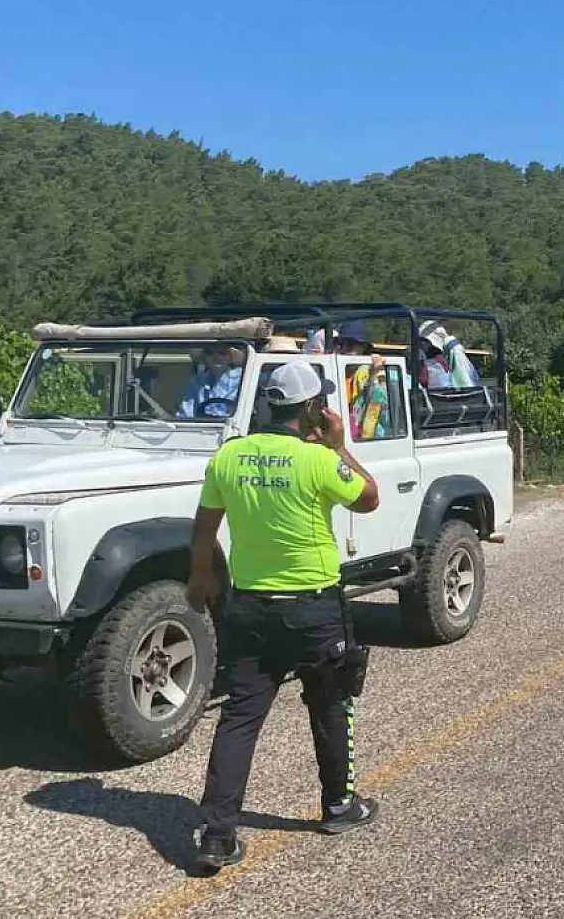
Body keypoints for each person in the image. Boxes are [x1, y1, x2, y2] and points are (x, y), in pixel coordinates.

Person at [185, 359, 384, 874]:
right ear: (313, 408)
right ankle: (339, 807)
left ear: (269, 404)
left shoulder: (229, 457)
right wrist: (338, 445)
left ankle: (217, 835)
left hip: (248, 608)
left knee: (239, 718)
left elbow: (205, 523)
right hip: (314, 608)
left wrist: (200, 577)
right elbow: (370, 499)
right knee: (331, 703)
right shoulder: (316, 460)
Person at [333, 320, 392, 441]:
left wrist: (373, 375)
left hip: (357, 439)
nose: (344, 348)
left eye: (350, 344)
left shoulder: (367, 372)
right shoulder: (335, 371)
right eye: (341, 344)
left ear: (364, 347)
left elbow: (376, 405)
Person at [177, 343, 245, 418]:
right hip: (202, 427)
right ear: (205, 357)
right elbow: (186, 413)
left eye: (222, 353)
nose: (216, 357)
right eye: (210, 353)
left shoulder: (242, 378)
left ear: (230, 358)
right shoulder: (196, 381)